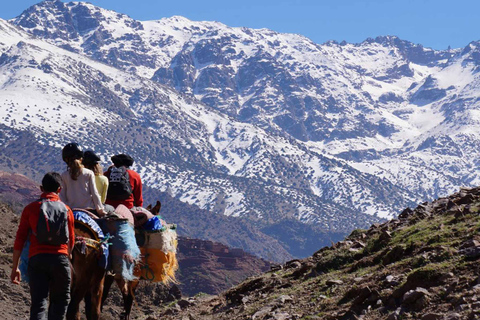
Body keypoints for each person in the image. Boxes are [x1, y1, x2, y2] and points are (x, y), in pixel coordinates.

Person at [11, 172, 75, 320]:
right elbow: (70, 241)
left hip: (37, 259)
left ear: (41, 188)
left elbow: (19, 239)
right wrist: (67, 259)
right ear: (59, 189)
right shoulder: (67, 210)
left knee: (39, 303)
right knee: (60, 302)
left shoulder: (30, 209)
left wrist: (16, 267)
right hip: (60, 259)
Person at [59, 143, 107, 216]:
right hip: (89, 210)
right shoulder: (89, 173)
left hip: (71, 211)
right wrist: (100, 210)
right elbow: (95, 193)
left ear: (66, 160)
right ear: (81, 158)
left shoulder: (64, 175)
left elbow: (62, 196)